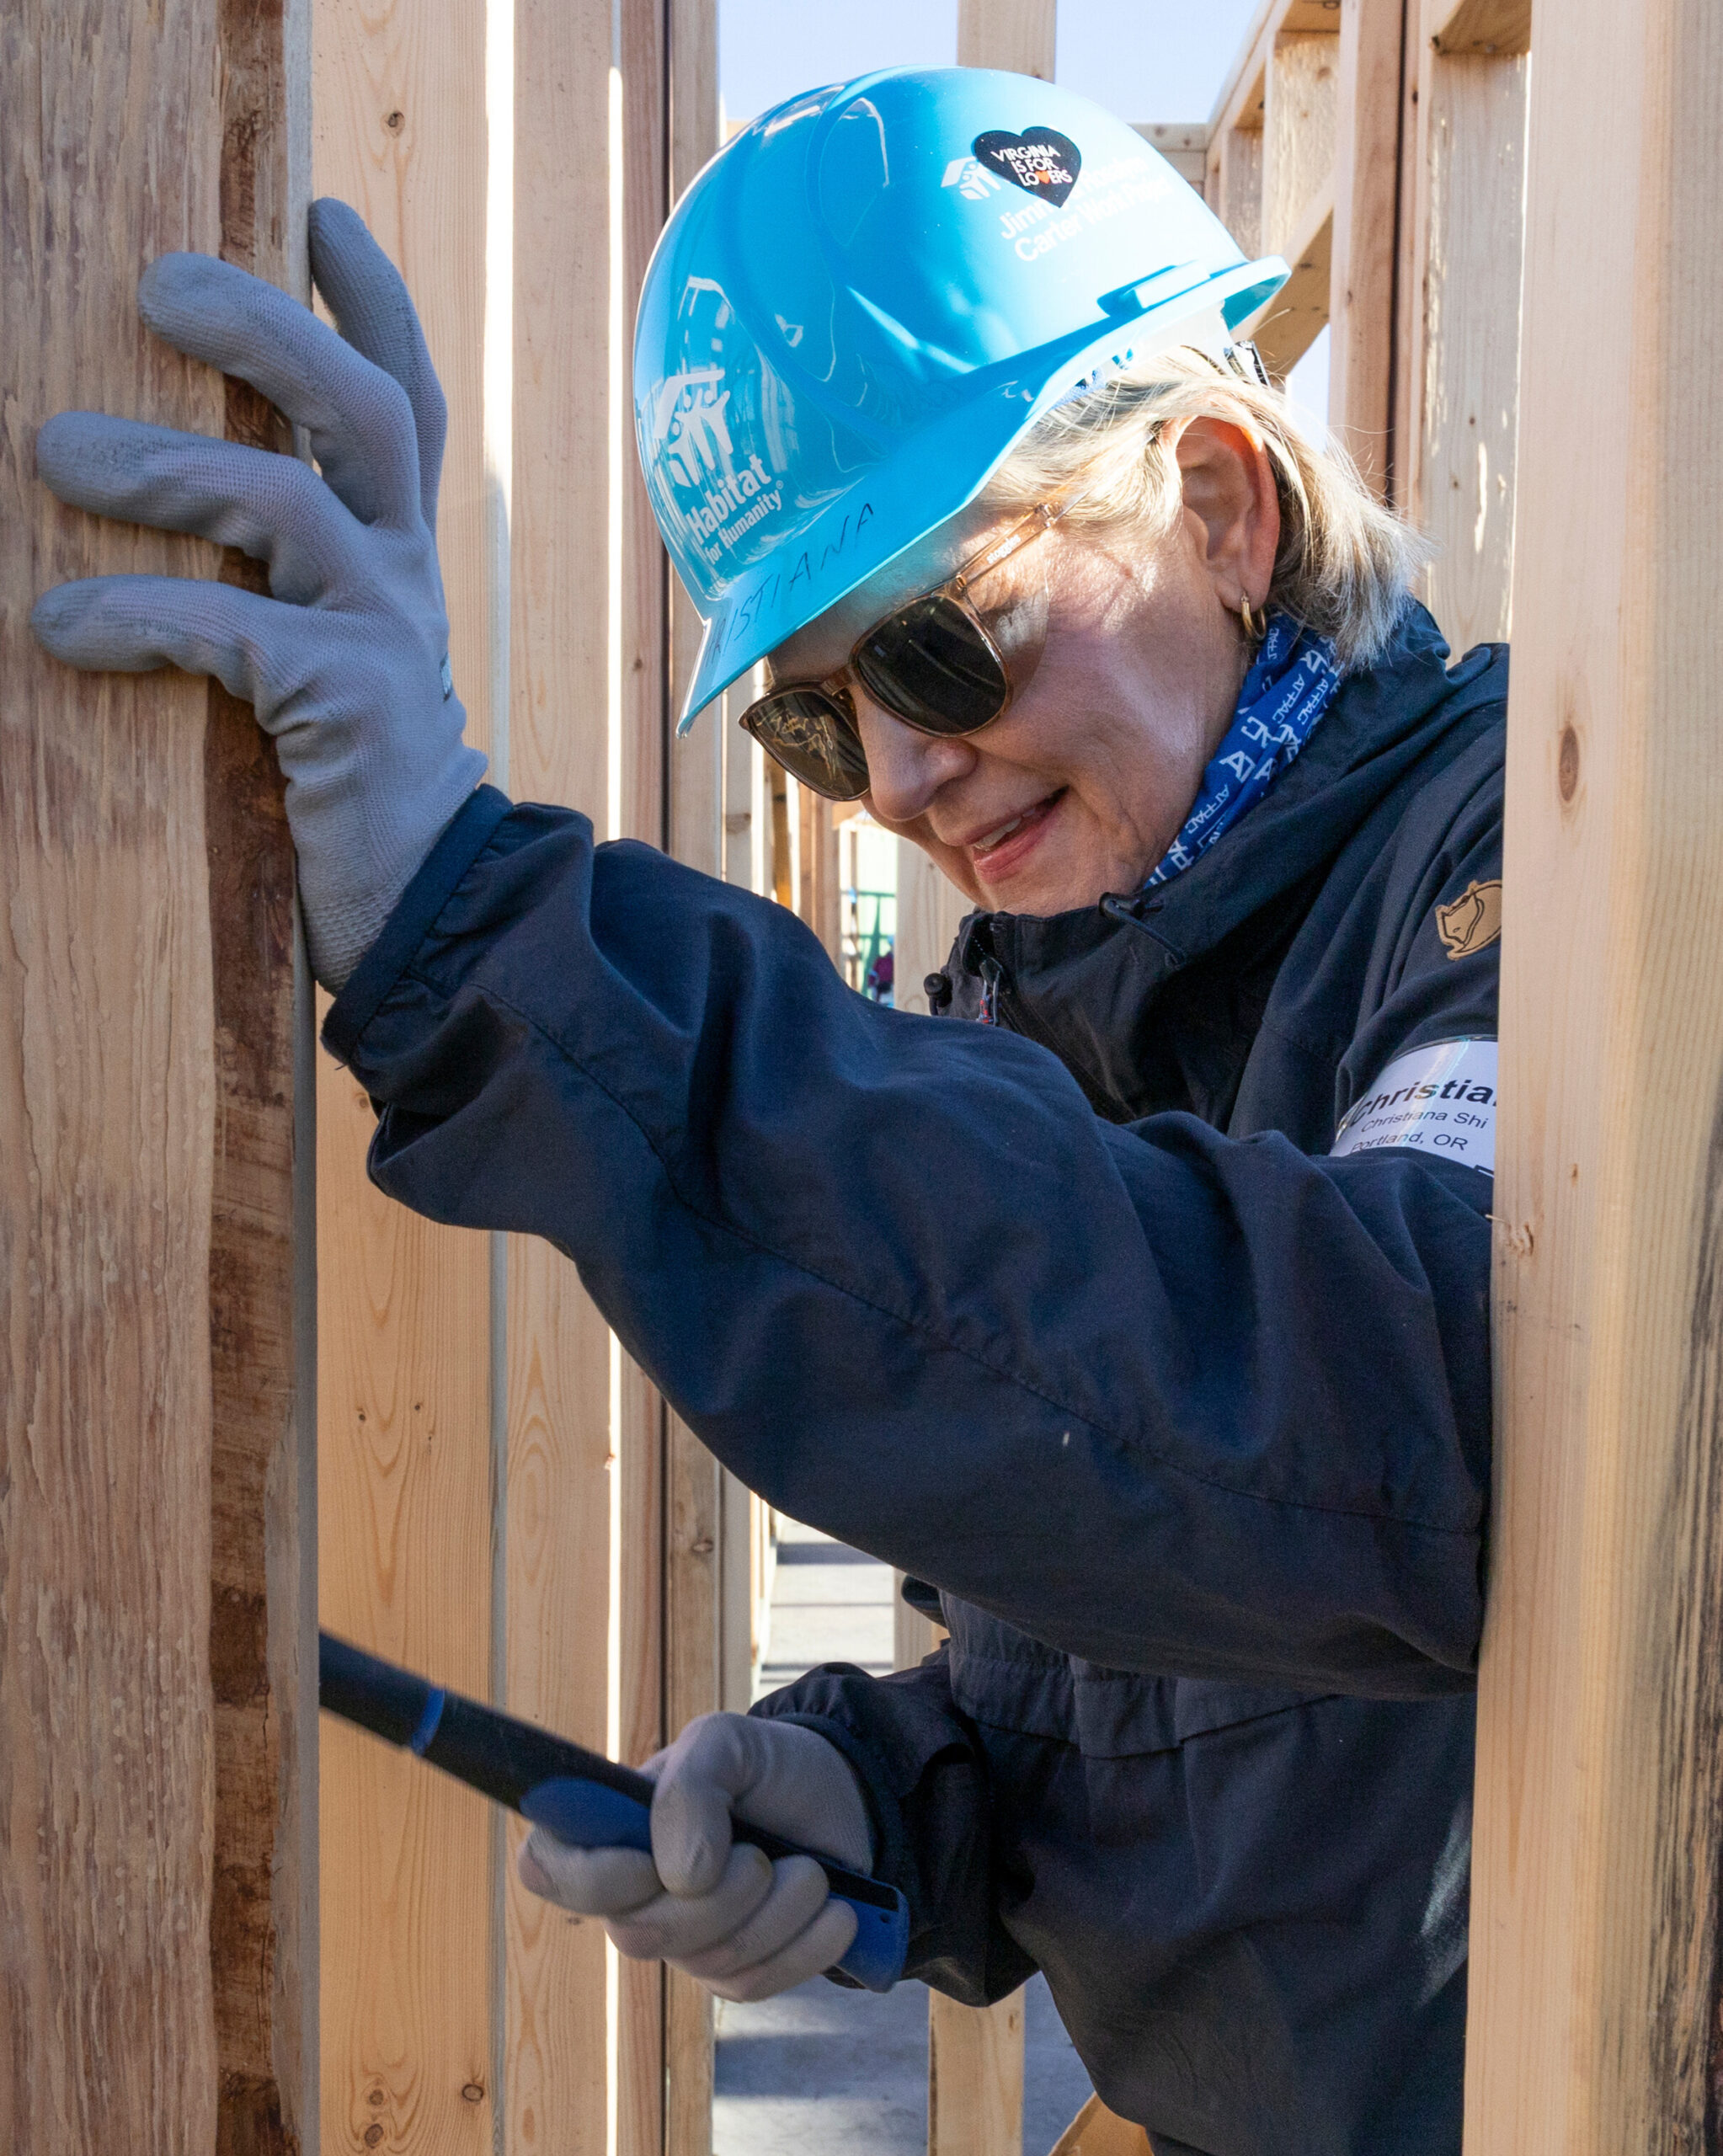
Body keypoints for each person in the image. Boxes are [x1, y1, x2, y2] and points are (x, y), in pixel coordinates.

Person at [32, 67, 1503, 2156]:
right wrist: (897, 1793)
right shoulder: (1051, 1005)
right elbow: (1175, 1660)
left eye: (941, 633)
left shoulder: (1519, 859)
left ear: (1219, 500)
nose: (899, 774)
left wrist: (498, 928)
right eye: (821, 709)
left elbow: (1381, 1427)